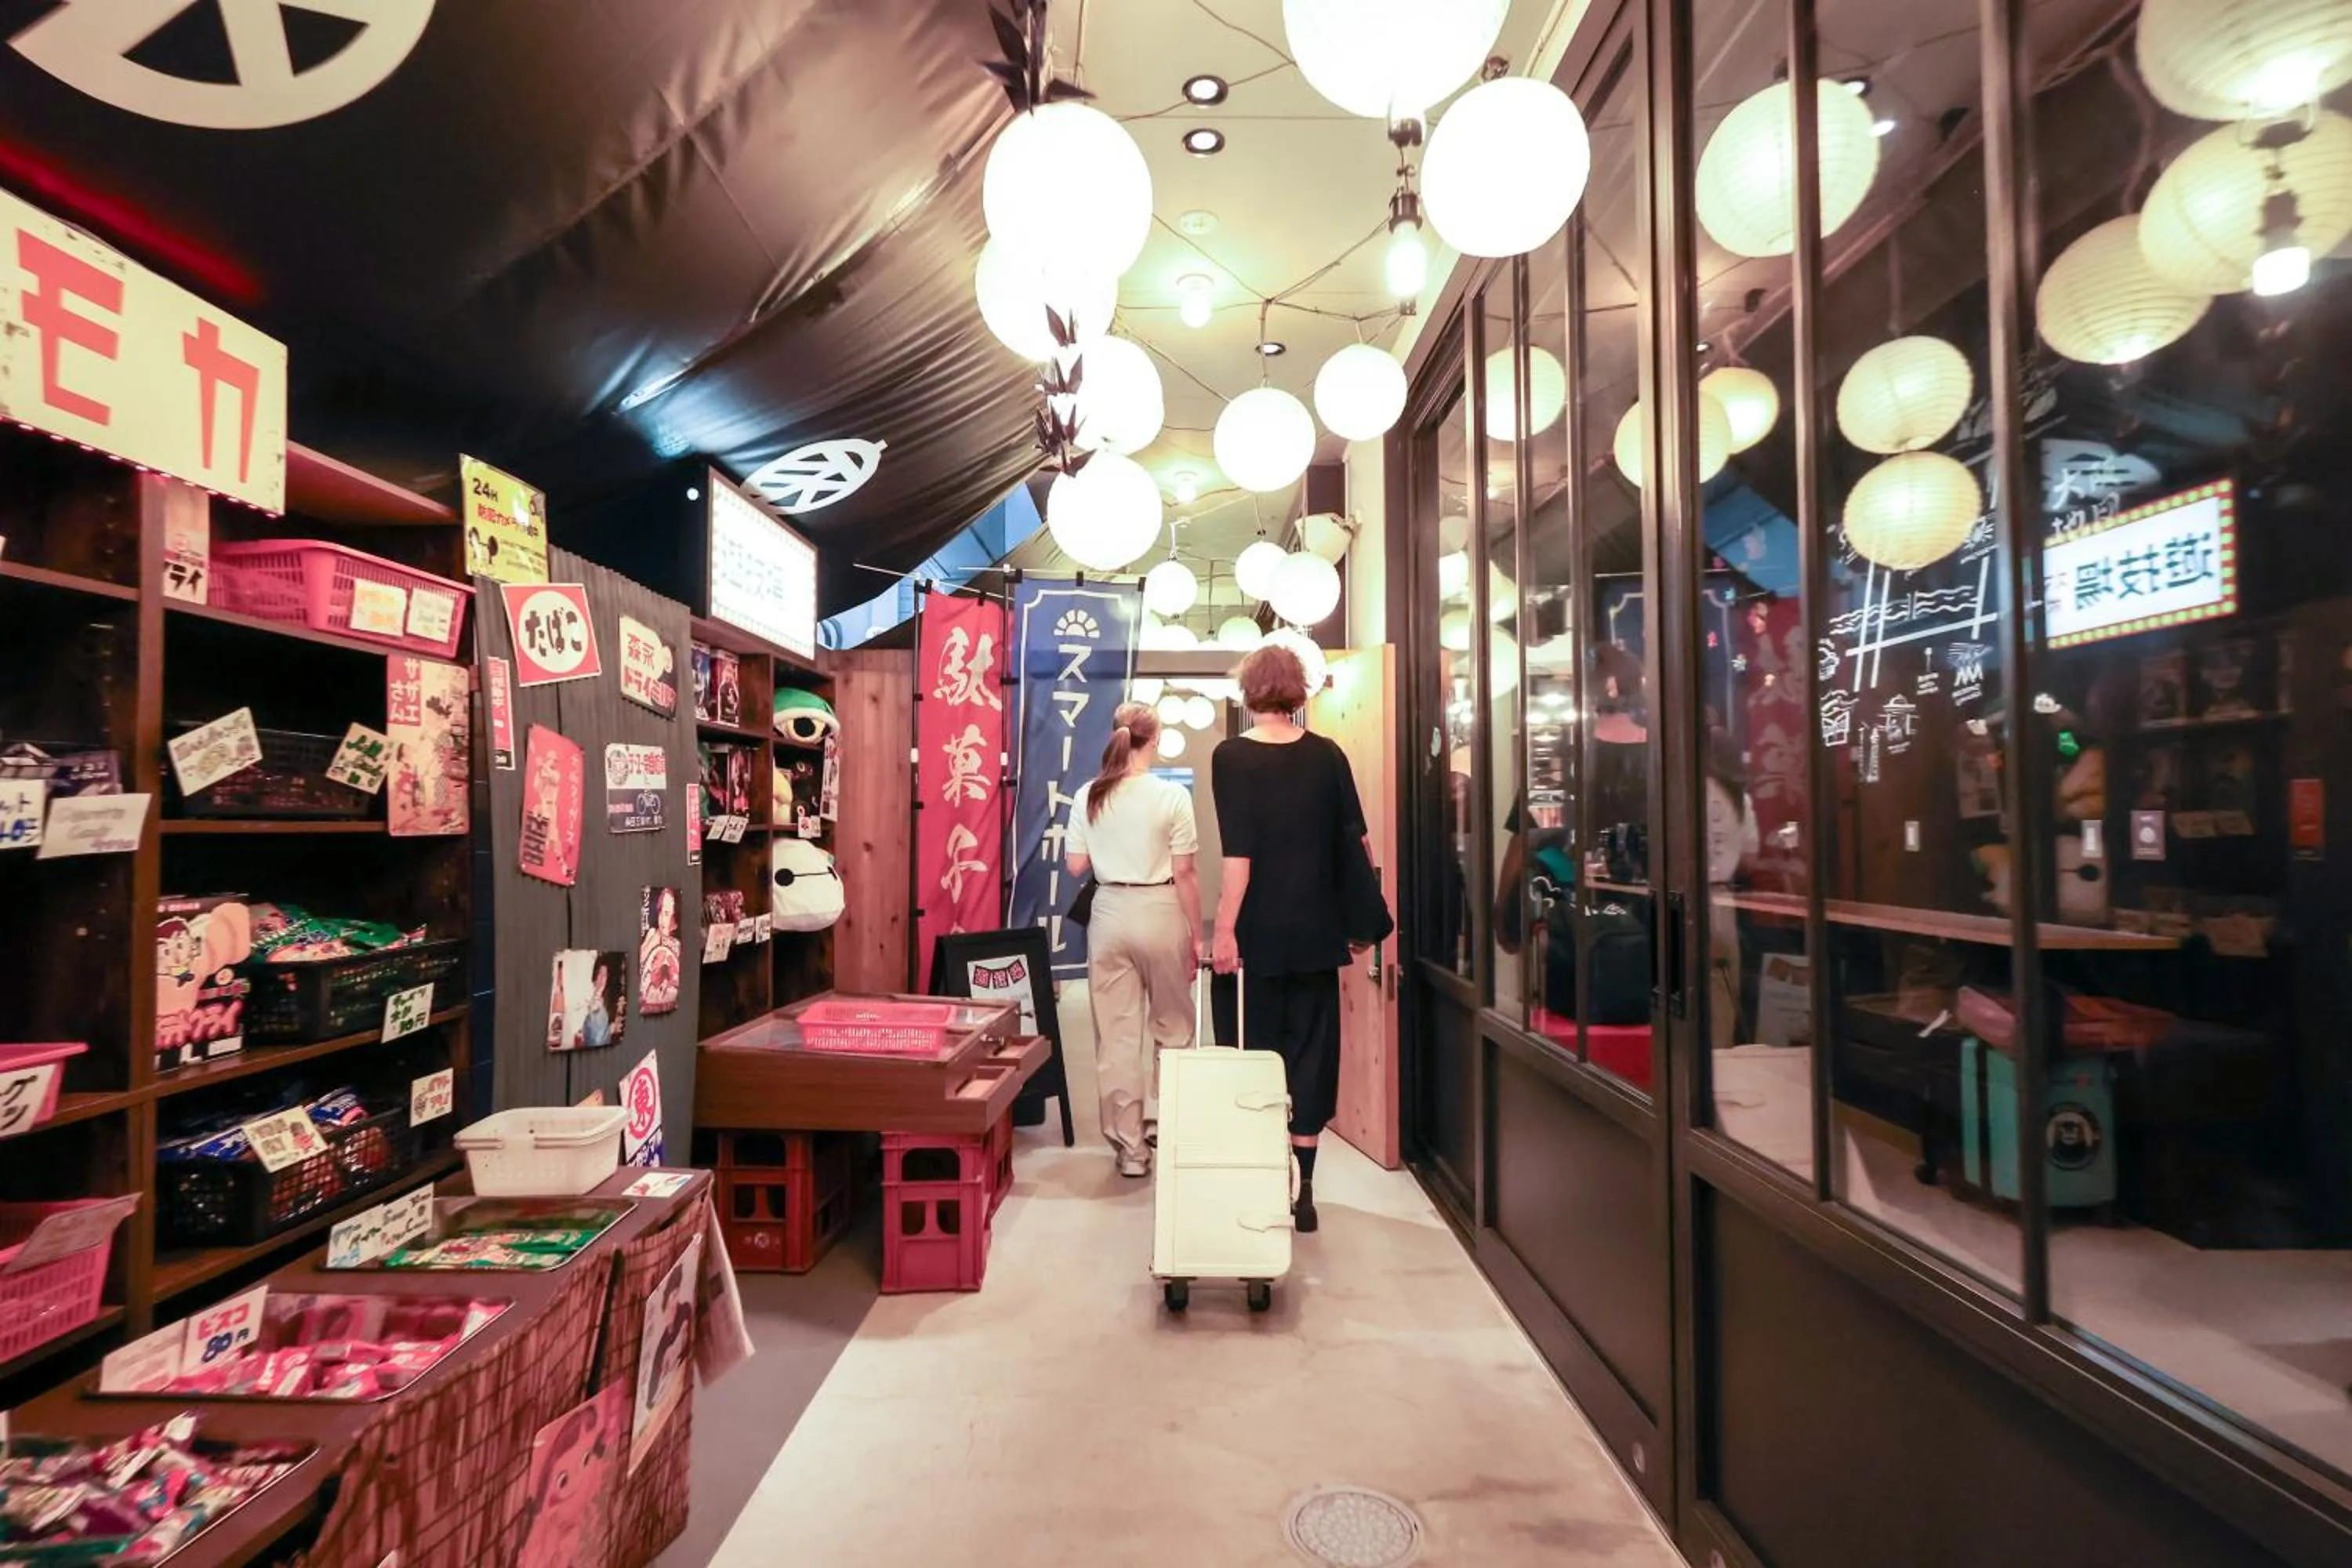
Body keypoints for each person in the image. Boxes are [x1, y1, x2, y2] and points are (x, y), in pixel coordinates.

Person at [1210, 643, 1367, 1234]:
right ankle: (1305, 1191)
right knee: (1311, 1057)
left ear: (1249, 692)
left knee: (1251, 1059)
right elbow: (1358, 846)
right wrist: (1358, 919)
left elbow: (1239, 861)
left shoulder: (1231, 758)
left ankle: (1258, 1179)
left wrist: (1224, 932)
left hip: (1256, 945)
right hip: (1316, 937)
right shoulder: (1328, 755)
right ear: (1299, 692)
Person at [1063, 701, 1202, 1177]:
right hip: (1161, 909)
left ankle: (1131, 1151)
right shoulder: (1172, 797)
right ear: (1156, 739)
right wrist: (1196, 935)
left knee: (1118, 1037)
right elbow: (1185, 872)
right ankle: (1174, 1126)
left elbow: (1076, 866)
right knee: (1174, 1027)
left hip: (1109, 913)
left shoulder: (1089, 795)